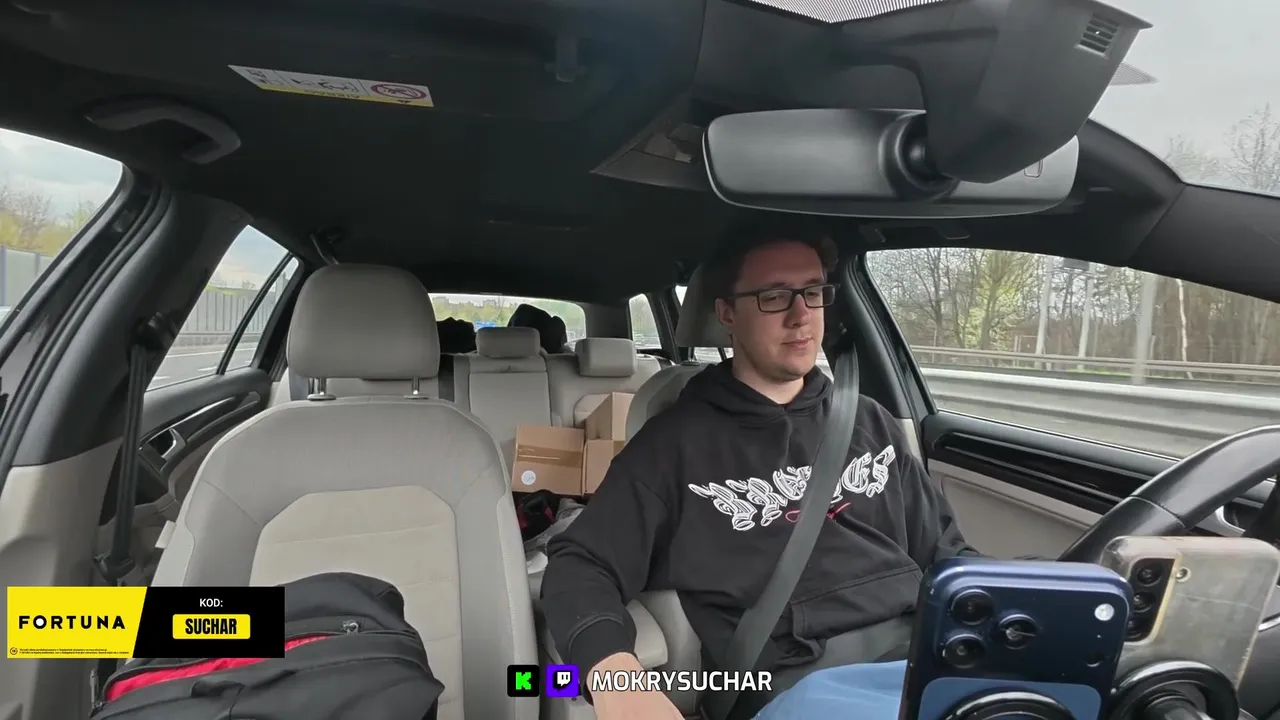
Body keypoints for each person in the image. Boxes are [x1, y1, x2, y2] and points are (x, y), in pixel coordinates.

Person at [539, 218, 981, 720]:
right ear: (727, 313)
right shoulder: (673, 445)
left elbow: (946, 554)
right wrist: (615, 678)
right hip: (801, 685)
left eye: (813, 292)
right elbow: (581, 564)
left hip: (929, 658)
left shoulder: (869, 420)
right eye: (774, 296)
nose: (801, 315)